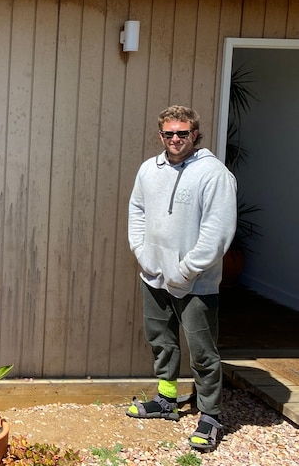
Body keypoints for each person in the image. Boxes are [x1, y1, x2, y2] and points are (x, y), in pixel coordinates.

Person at [126, 105, 237, 452]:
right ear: (160, 135)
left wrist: (186, 268)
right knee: (162, 340)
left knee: (203, 352)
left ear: (195, 134)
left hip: (196, 283)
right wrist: (143, 254)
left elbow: (217, 233)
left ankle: (210, 415)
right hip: (154, 276)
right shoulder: (149, 170)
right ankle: (166, 400)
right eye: (169, 133)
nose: (175, 139)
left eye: (183, 133)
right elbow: (137, 211)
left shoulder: (213, 174)